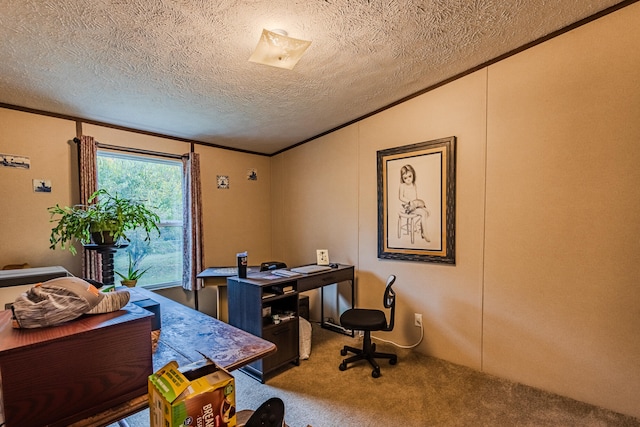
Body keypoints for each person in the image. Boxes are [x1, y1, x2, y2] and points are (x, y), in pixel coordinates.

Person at [399, 164, 430, 242]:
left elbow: (415, 197)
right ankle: (425, 233)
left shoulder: (414, 185)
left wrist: (418, 204)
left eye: (410, 176)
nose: (408, 179)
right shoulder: (402, 186)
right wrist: (409, 202)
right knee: (423, 213)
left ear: (413, 175)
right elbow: (401, 197)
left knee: (427, 211)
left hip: (414, 204)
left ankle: (423, 231)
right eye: (405, 178)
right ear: (402, 179)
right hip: (407, 206)